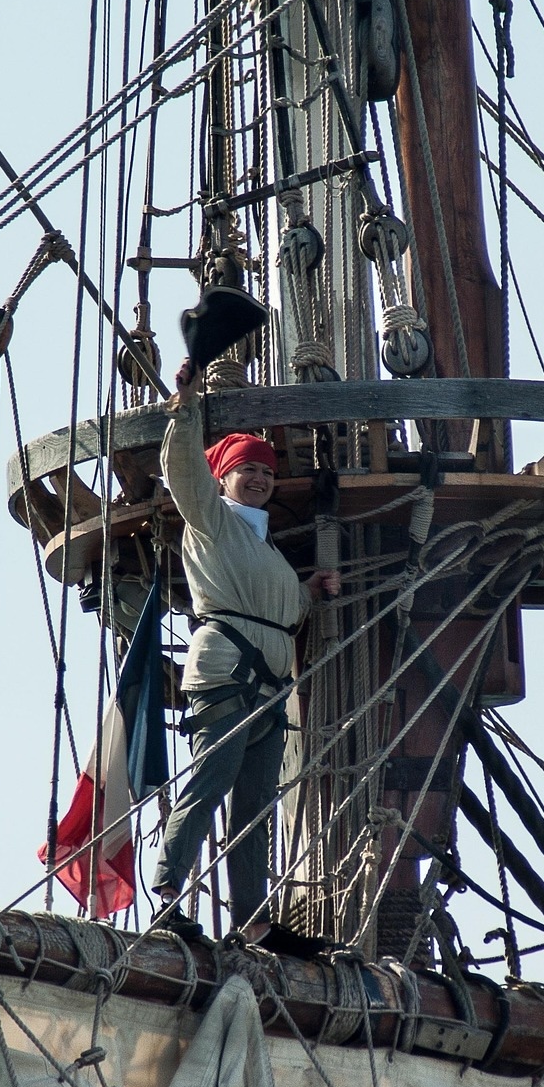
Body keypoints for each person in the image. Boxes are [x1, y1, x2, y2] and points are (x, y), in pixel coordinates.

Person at [152, 358, 339, 932]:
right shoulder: (212, 519)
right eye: (245, 470)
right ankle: (165, 895)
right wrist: (185, 409)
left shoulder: (267, 552)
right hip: (229, 676)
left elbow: (280, 612)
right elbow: (182, 470)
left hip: (270, 687)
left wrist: (306, 591)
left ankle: (252, 919)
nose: (258, 478)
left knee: (255, 812)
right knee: (208, 786)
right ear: (223, 479)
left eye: (265, 472)